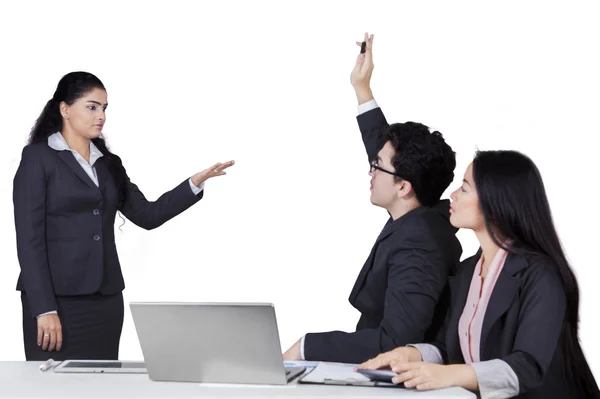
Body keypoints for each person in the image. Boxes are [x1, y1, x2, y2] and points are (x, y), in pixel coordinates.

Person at [13, 71, 234, 361]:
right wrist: (44, 308)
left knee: (101, 387)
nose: (101, 115)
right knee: (52, 388)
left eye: (104, 108)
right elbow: (29, 242)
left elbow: (147, 215)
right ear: (65, 109)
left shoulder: (108, 164)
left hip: (105, 301)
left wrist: (193, 184)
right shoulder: (37, 158)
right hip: (57, 302)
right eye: (92, 107)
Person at [358, 150, 600, 398]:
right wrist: (410, 354)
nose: (452, 195)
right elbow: (445, 347)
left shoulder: (541, 276)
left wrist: (450, 374)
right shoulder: (467, 272)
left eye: (464, 188)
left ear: (496, 201)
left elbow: (527, 366)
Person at [283, 33, 462, 363]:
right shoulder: (421, 211)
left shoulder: (419, 245)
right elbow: (389, 158)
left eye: (376, 167)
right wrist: (362, 89)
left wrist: (307, 345)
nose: (370, 171)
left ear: (403, 187)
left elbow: (395, 343)